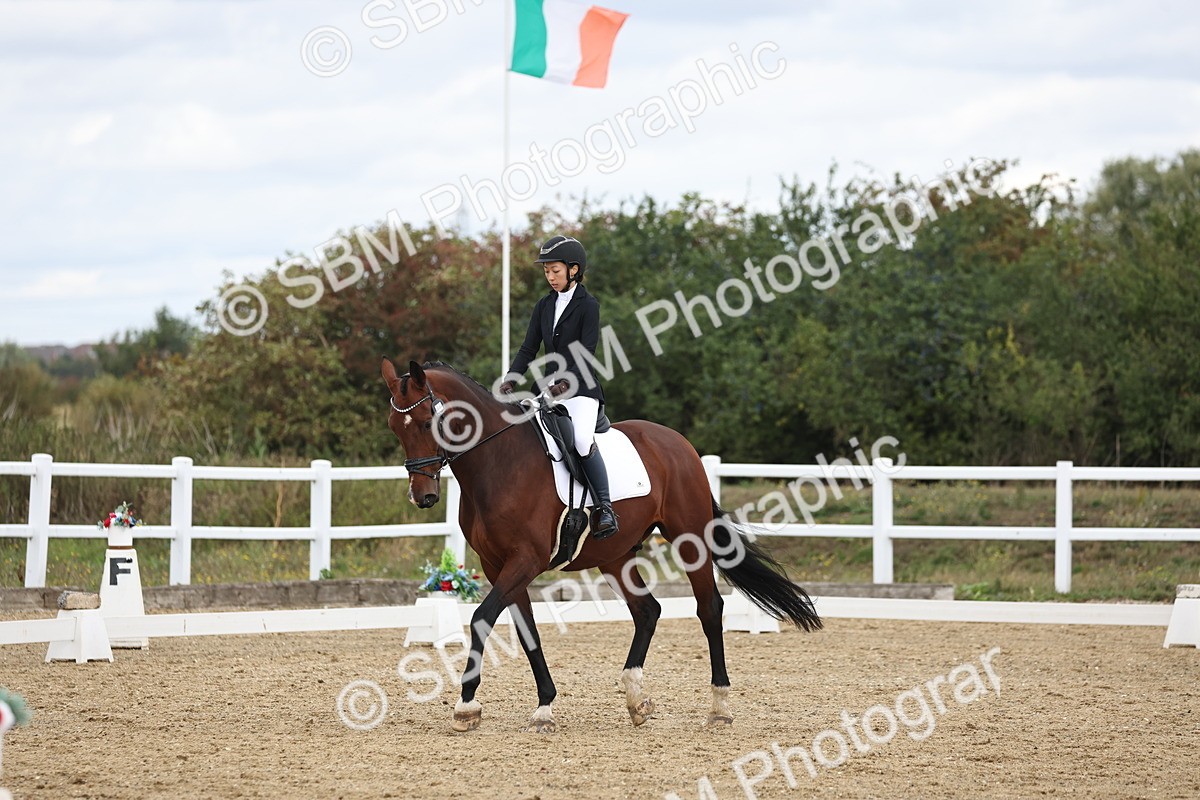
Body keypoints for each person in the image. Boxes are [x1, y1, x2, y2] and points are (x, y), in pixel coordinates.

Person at [499, 234, 619, 539]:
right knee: (525, 436)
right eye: (546, 271)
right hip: (548, 389)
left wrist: (567, 381)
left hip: (581, 388)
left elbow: (586, 351)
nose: (550, 277)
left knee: (579, 440)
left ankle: (605, 508)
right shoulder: (544, 305)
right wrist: (513, 376)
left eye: (555, 270)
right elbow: (529, 348)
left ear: (573, 270)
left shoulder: (588, 305)